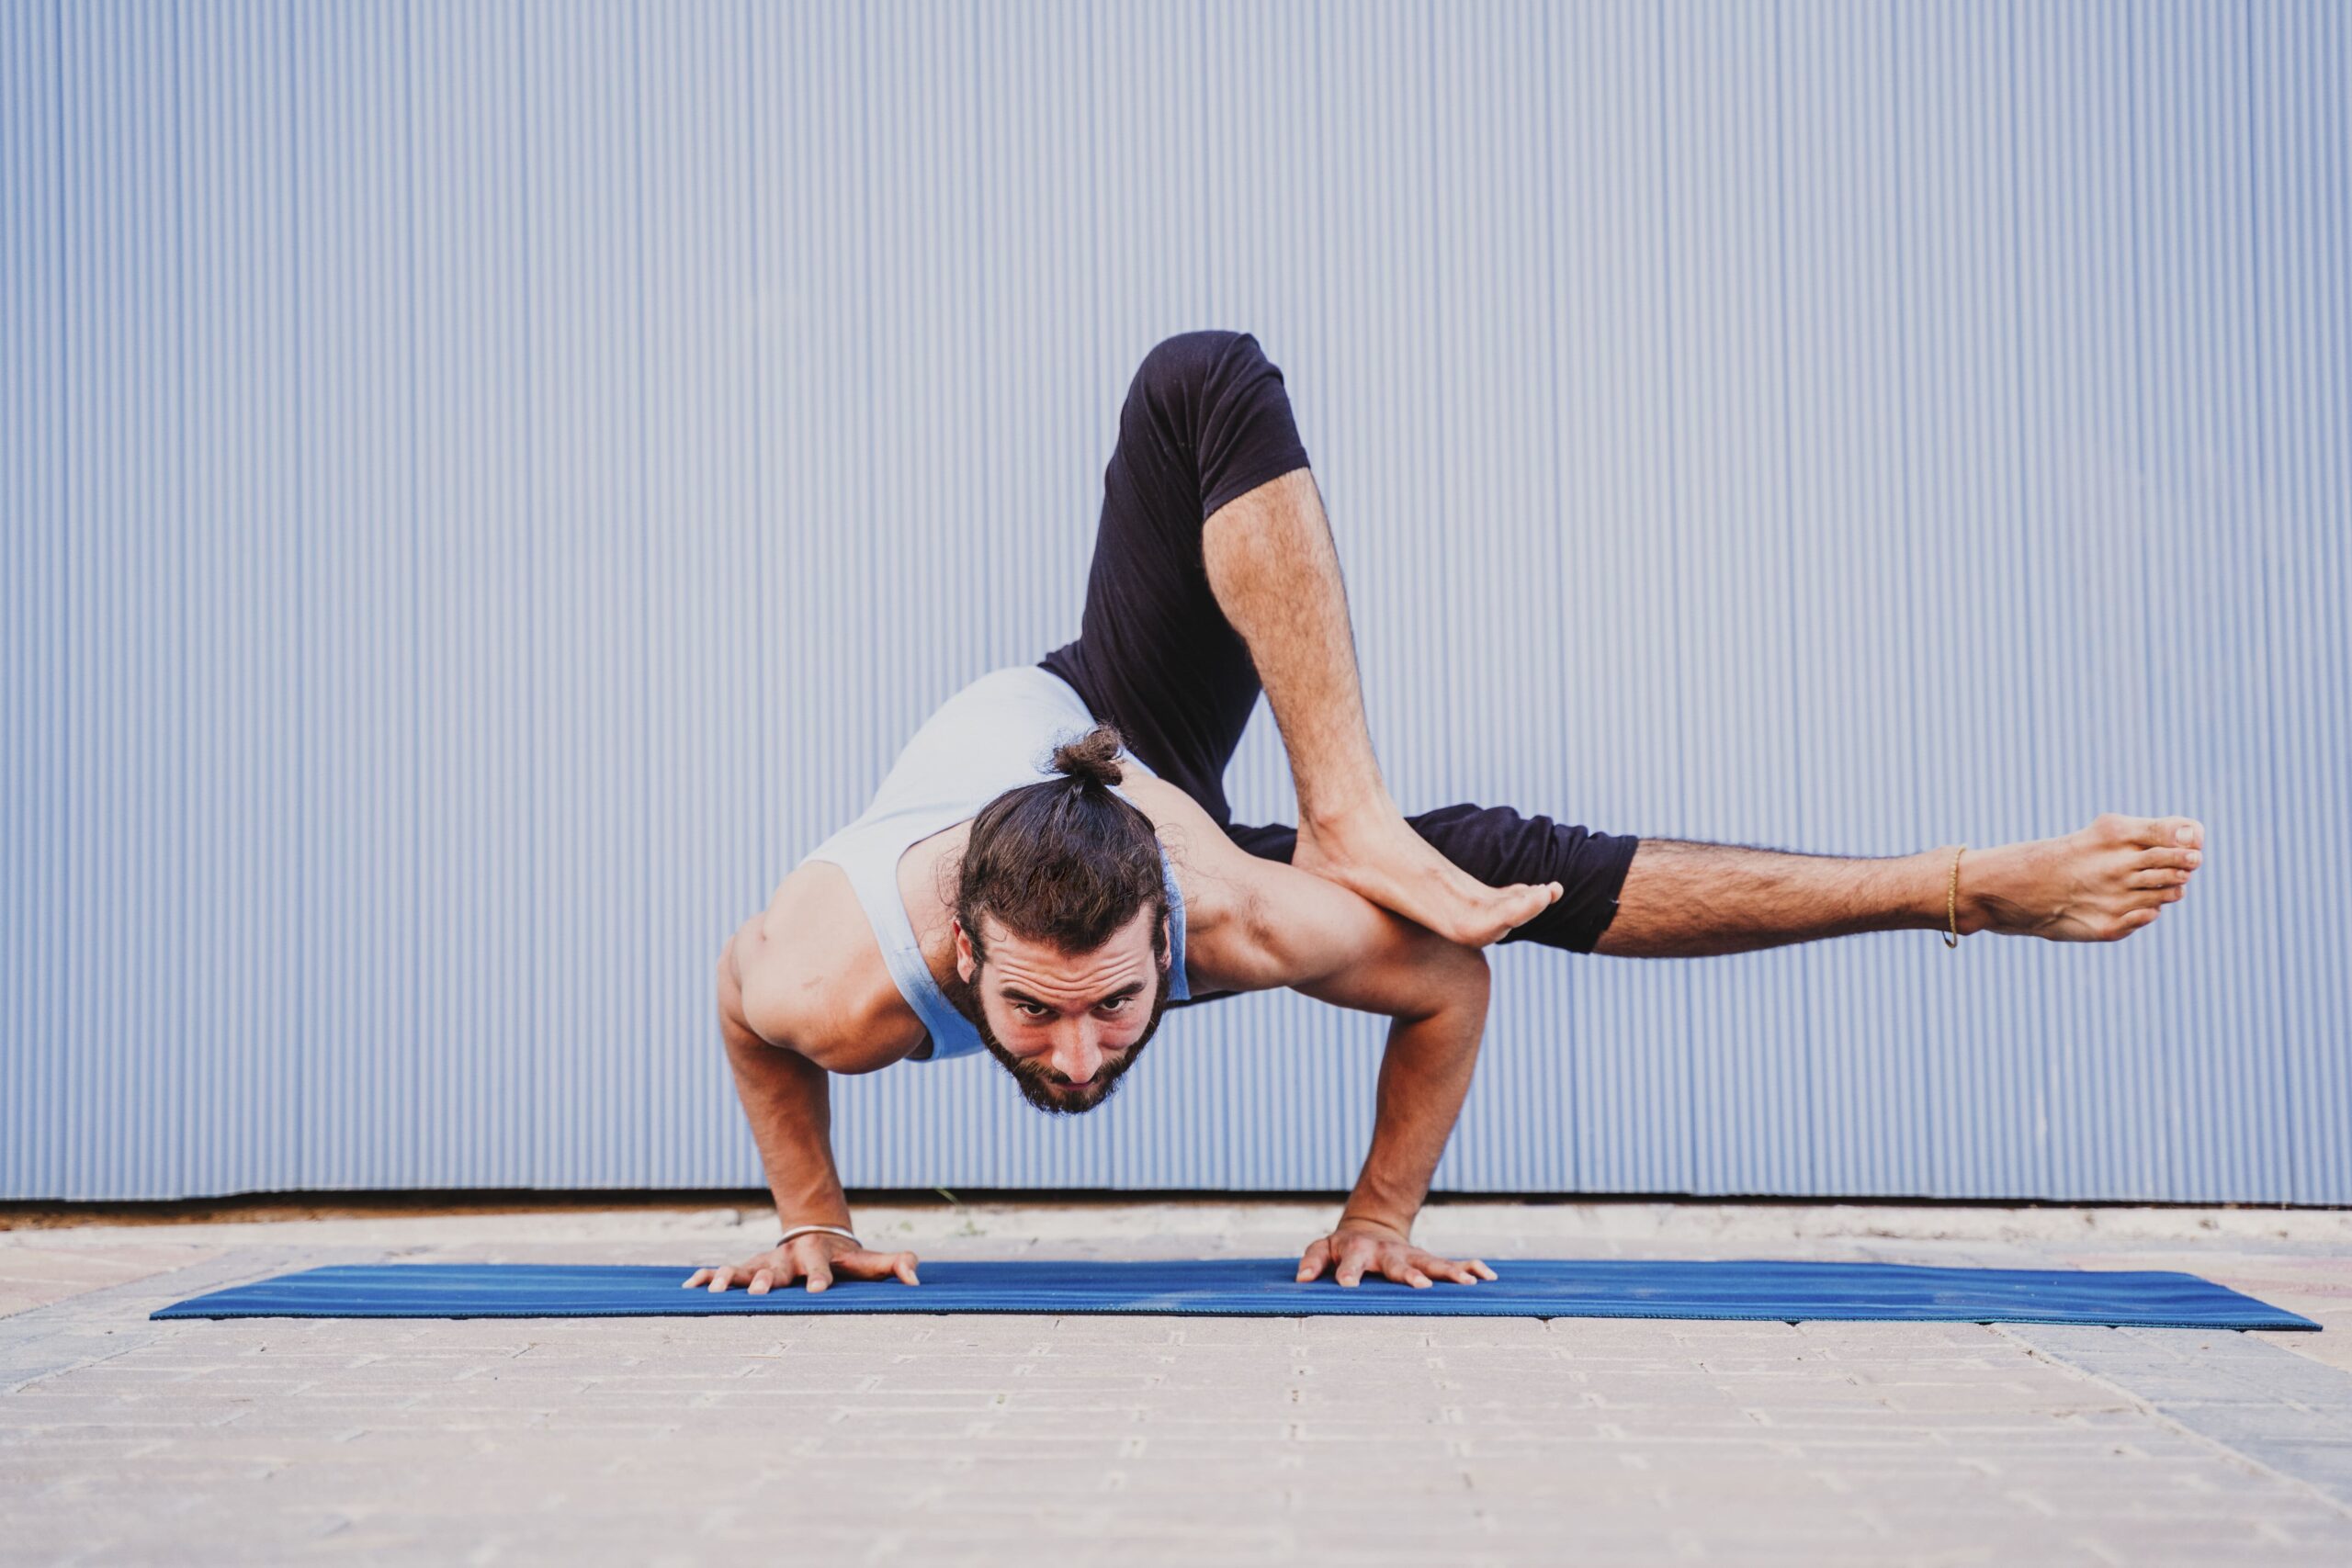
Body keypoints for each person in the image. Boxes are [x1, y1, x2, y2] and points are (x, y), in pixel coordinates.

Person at [692, 331, 2205, 1297]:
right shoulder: (836, 976)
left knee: (1203, 380)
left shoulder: (1230, 913)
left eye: (1117, 1007)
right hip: (1075, 745)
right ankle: (1945, 885)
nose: (1083, 1056)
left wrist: (1383, 1211)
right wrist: (811, 1217)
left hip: (1121, 753)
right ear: (960, 954)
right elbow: (739, 1006)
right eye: (1039, 1014)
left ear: (1179, 941)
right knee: (1475, 871)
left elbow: (1446, 984)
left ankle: (1354, 810)